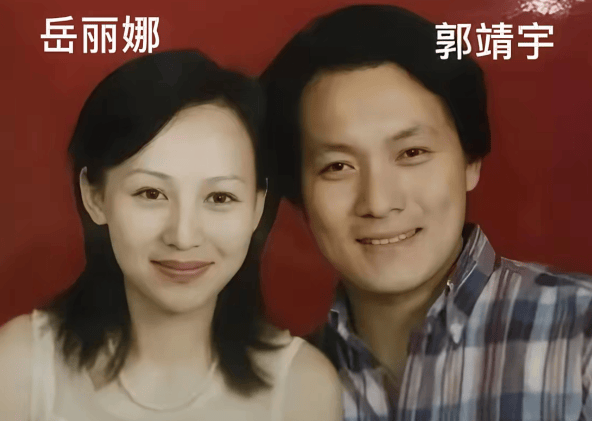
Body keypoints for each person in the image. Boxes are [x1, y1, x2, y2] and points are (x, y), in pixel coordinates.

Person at [261, 4, 592, 420]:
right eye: (338, 166)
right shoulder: (273, 390)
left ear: (470, 160)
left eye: (412, 152)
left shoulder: (581, 334)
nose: (379, 203)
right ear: (299, 193)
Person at [0, 50, 342, 421]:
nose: (183, 236)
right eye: (151, 193)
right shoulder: (21, 368)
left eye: (220, 198)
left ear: (257, 208)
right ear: (95, 197)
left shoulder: (301, 389)